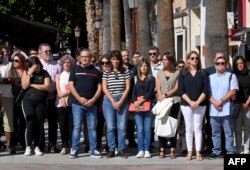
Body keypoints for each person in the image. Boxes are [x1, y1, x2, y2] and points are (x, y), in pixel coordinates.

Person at [69, 48, 102, 159]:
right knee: (77, 127)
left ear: (90, 58)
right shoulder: (74, 69)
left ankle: (94, 149)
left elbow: (99, 88)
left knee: (92, 128)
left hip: (92, 105)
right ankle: (74, 149)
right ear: (80, 58)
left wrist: (93, 100)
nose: (84, 59)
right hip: (77, 104)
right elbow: (71, 85)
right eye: (82, 57)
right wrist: (79, 99)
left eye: (86, 57)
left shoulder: (96, 71)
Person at [178, 51, 208, 161]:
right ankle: (190, 152)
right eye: (192, 58)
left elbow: (206, 90)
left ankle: (198, 152)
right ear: (188, 60)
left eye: (196, 58)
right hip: (186, 105)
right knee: (189, 128)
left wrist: (197, 102)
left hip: (201, 104)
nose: (195, 59)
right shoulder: (183, 73)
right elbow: (181, 90)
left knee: (198, 128)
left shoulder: (203, 73)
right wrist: (190, 102)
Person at [208, 53, 238, 158]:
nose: (220, 65)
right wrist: (215, 102)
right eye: (218, 63)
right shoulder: (210, 77)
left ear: (226, 64)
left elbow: (233, 91)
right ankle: (216, 151)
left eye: (222, 63)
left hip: (226, 109)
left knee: (228, 132)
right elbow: (207, 93)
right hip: (213, 109)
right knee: (215, 133)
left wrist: (221, 101)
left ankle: (230, 151)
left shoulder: (231, 76)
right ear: (215, 65)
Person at [102, 50, 131, 158]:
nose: (116, 61)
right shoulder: (106, 72)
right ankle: (111, 149)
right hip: (109, 101)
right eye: (113, 59)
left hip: (122, 99)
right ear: (110, 60)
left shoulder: (126, 71)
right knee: (110, 126)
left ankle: (122, 149)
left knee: (122, 126)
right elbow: (104, 88)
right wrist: (113, 101)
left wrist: (120, 101)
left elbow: (127, 87)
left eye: (117, 58)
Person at [22, 56, 51, 156]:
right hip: (27, 101)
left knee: (39, 123)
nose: (36, 68)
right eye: (34, 66)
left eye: (37, 66)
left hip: (41, 101)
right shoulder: (26, 73)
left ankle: (37, 146)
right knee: (30, 122)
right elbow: (25, 85)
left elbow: (46, 86)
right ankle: (28, 146)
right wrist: (30, 72)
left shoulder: (44, 73)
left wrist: (32, 85)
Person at [157, 52, 180, 159]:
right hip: (162, 102)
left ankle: (172, 149)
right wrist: (161, 96)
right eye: (163, 60)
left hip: (174, 101)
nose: (164, 61)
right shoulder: (159, 73)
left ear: (170, 61)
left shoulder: (177, 73)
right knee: (162, 124)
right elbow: (158, 87)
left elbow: (176, 88)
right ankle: (162, 149)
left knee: (172, 125)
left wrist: (166, 95)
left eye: (165, 59)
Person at [39, 43, 61, 152]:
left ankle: (52, 143)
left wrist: (56, 91)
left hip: (53, 97)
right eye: (46, 51)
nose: (48, 53)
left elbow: (61, 80)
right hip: (41, 98)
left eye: (49, 51)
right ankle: (41, 144)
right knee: (40, 121)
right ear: (40, 53)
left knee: (53, 122)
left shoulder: (57, 64)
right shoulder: (38, 65)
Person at [132, 57, 155, 158]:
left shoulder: (151, 78)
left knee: (147, 129)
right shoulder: (135, 78)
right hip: (137, 107)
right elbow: (132, 93)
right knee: (140, 129)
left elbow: (150, 93)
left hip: (148, 106)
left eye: (145, 66)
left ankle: (147, 150)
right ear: (139, 68)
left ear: (148, 67)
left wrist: (141, 100)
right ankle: (140, 149)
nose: (144, 68)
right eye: (142, 66)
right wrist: (135, 102)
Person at [55, 54, 75, 155]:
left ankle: (72, 146)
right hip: (61, 103)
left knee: (71, 125)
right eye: (65, 62)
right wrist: (62, 96)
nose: (67, 64)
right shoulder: (58, 76)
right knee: (62, 126)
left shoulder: (73, 74)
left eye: (69, 62)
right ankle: (64, 145)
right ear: (62, 64)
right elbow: (58, 90)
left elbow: (74, 88)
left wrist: (65, 94)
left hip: (72, 102)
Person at [8, 52, 27, 151]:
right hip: (13, 98)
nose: (14, 62)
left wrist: (18, 82)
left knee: (23, 121)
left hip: (24, 98)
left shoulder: (25, 71)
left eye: (16, 61)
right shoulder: (11, 70)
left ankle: (23, 142)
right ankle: (13, 142)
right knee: (14, 121)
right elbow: (12, 81)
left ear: (22, 61)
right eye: (13, 60)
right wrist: (19, 82)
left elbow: (25, 84)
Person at [232, 55, 250, 154]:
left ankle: (246, 148)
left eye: (241, 63)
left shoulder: (249, 74)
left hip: (248, 105)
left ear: (244, 63)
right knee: (237, 128)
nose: (240, 65)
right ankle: (239, 148)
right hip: (237, 105)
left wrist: (247, 102)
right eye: (238, 63)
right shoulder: (233, 74)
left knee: (247, 128)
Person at [121, 49, 137, 148]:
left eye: (127, 55)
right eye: (124, 56)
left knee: (131, 122)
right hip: (121, 98)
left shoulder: (134, 68)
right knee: (122, 122)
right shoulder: (119, 68)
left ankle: (131, 141)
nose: (126, 57)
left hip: (131, 98)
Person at [0, 48, 14, 154]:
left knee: (8, 121)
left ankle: (8, 144)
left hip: (6, 96)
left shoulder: (9, 64)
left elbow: (11, 79)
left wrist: (2, 80)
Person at [96, 54, 110, 150]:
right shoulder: (98, 74)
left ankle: (110, 146)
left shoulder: (113, 74)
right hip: (99, 104)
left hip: (110, 104)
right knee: (99, 126)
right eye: (103, 63)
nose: (105, 64)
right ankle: (97, 146)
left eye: (107, 62)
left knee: (109, 127)